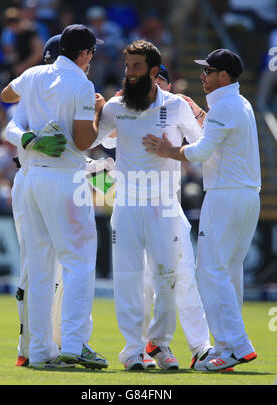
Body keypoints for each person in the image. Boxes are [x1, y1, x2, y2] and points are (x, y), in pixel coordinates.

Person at [143, 48, 261, 371]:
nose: (203, 77)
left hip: (225, 197)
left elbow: (201, 152)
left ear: (224, 76)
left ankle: (237, 344)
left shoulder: (224, 107)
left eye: (208, 71)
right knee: (229, 272)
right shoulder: (241, 103)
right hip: (247, 197)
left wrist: (169, 150)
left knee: (210, 272)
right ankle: (225, 346)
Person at [0, 24, 108, 369]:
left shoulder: (33, 74)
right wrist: (96, 113)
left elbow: (5, 94)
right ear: (85, 53)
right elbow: (81, 142)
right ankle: (74, 343)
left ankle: (38, 351)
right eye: (91, 53)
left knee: (39, 268)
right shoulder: (82, 84)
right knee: (78, 261)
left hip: (29, 179)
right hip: (64, 178)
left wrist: (35, 122)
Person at [97, 40, 210, 371]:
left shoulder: (175, 106)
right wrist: (95, 110)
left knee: (167, 278)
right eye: (127, 66)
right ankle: (133, 350)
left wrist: (172, 150)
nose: (128, 73)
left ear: (152, 70)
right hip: (128, 204)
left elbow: (201, 144)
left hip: (165, 205)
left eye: (135, 67)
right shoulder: (115, 108)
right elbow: (97, 141)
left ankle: (158, 343)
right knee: (129, 277)